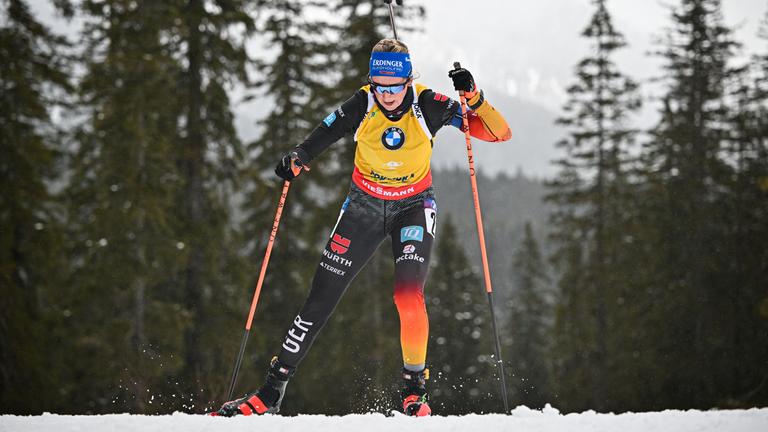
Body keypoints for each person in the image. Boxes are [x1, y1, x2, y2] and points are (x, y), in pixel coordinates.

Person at [215, 38, 511, 417]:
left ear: (408, 80)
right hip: (363, 207)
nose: (386, 95)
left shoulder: (428, 105)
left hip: (414, 207)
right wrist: (299, 157)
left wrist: (474, 97)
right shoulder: (364, 102)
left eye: (394, 87)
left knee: (408, 295)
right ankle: (271, 391)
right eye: (379, 86)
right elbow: (327, 130)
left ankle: (414, 392)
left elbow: (498, 133)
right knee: (321, 297)